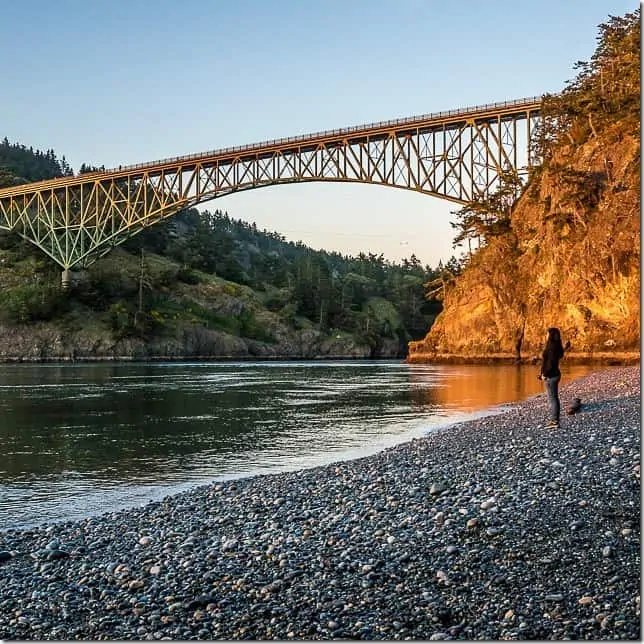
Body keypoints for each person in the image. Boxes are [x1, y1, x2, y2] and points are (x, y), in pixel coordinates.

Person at [539, 327, 565, 428]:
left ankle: (554, 421)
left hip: (551, 376)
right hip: (555, 374)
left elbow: (550, 363)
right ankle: (555, 420)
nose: (546, 336)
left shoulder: (551, 347)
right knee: (554, 398)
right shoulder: (557, 346)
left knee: (552, 399)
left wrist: (544, 374)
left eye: (547, 334)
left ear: (550, 335)